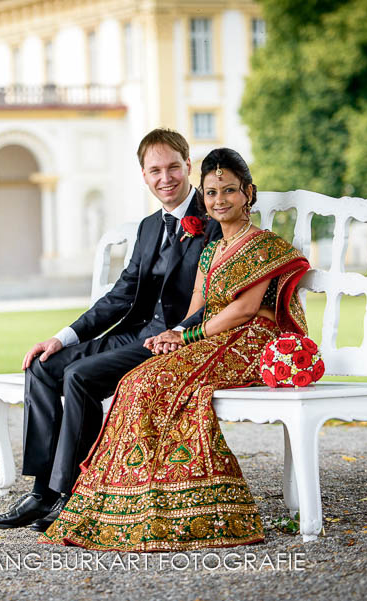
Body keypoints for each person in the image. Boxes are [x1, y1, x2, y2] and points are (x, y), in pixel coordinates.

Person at [39, 147, 311, 551]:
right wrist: (174, 333)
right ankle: (131, 497)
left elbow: (244, 309)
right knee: (137, 380)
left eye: (230, 191)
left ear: (248, 193)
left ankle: (195, 500)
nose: (220, 201)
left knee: (155, 384)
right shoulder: (211, 250)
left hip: (252, 340)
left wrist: (185, 338)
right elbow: (197, 308)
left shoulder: (265, 246)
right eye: (212, 193)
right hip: (212, 336)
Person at [0, 129, 222, 531]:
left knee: (79, 377)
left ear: (188, 166)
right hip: (134, 333)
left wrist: (180, 331)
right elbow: (119, 296)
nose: (166, 178)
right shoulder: (147, 228)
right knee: (43, 365)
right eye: (155, 170)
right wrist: (62, 336)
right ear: (143, 175)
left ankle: (70, 495)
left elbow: (216, 297)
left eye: (173, 167)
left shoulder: (213, 220)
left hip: (171, 342)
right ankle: (42, 493)